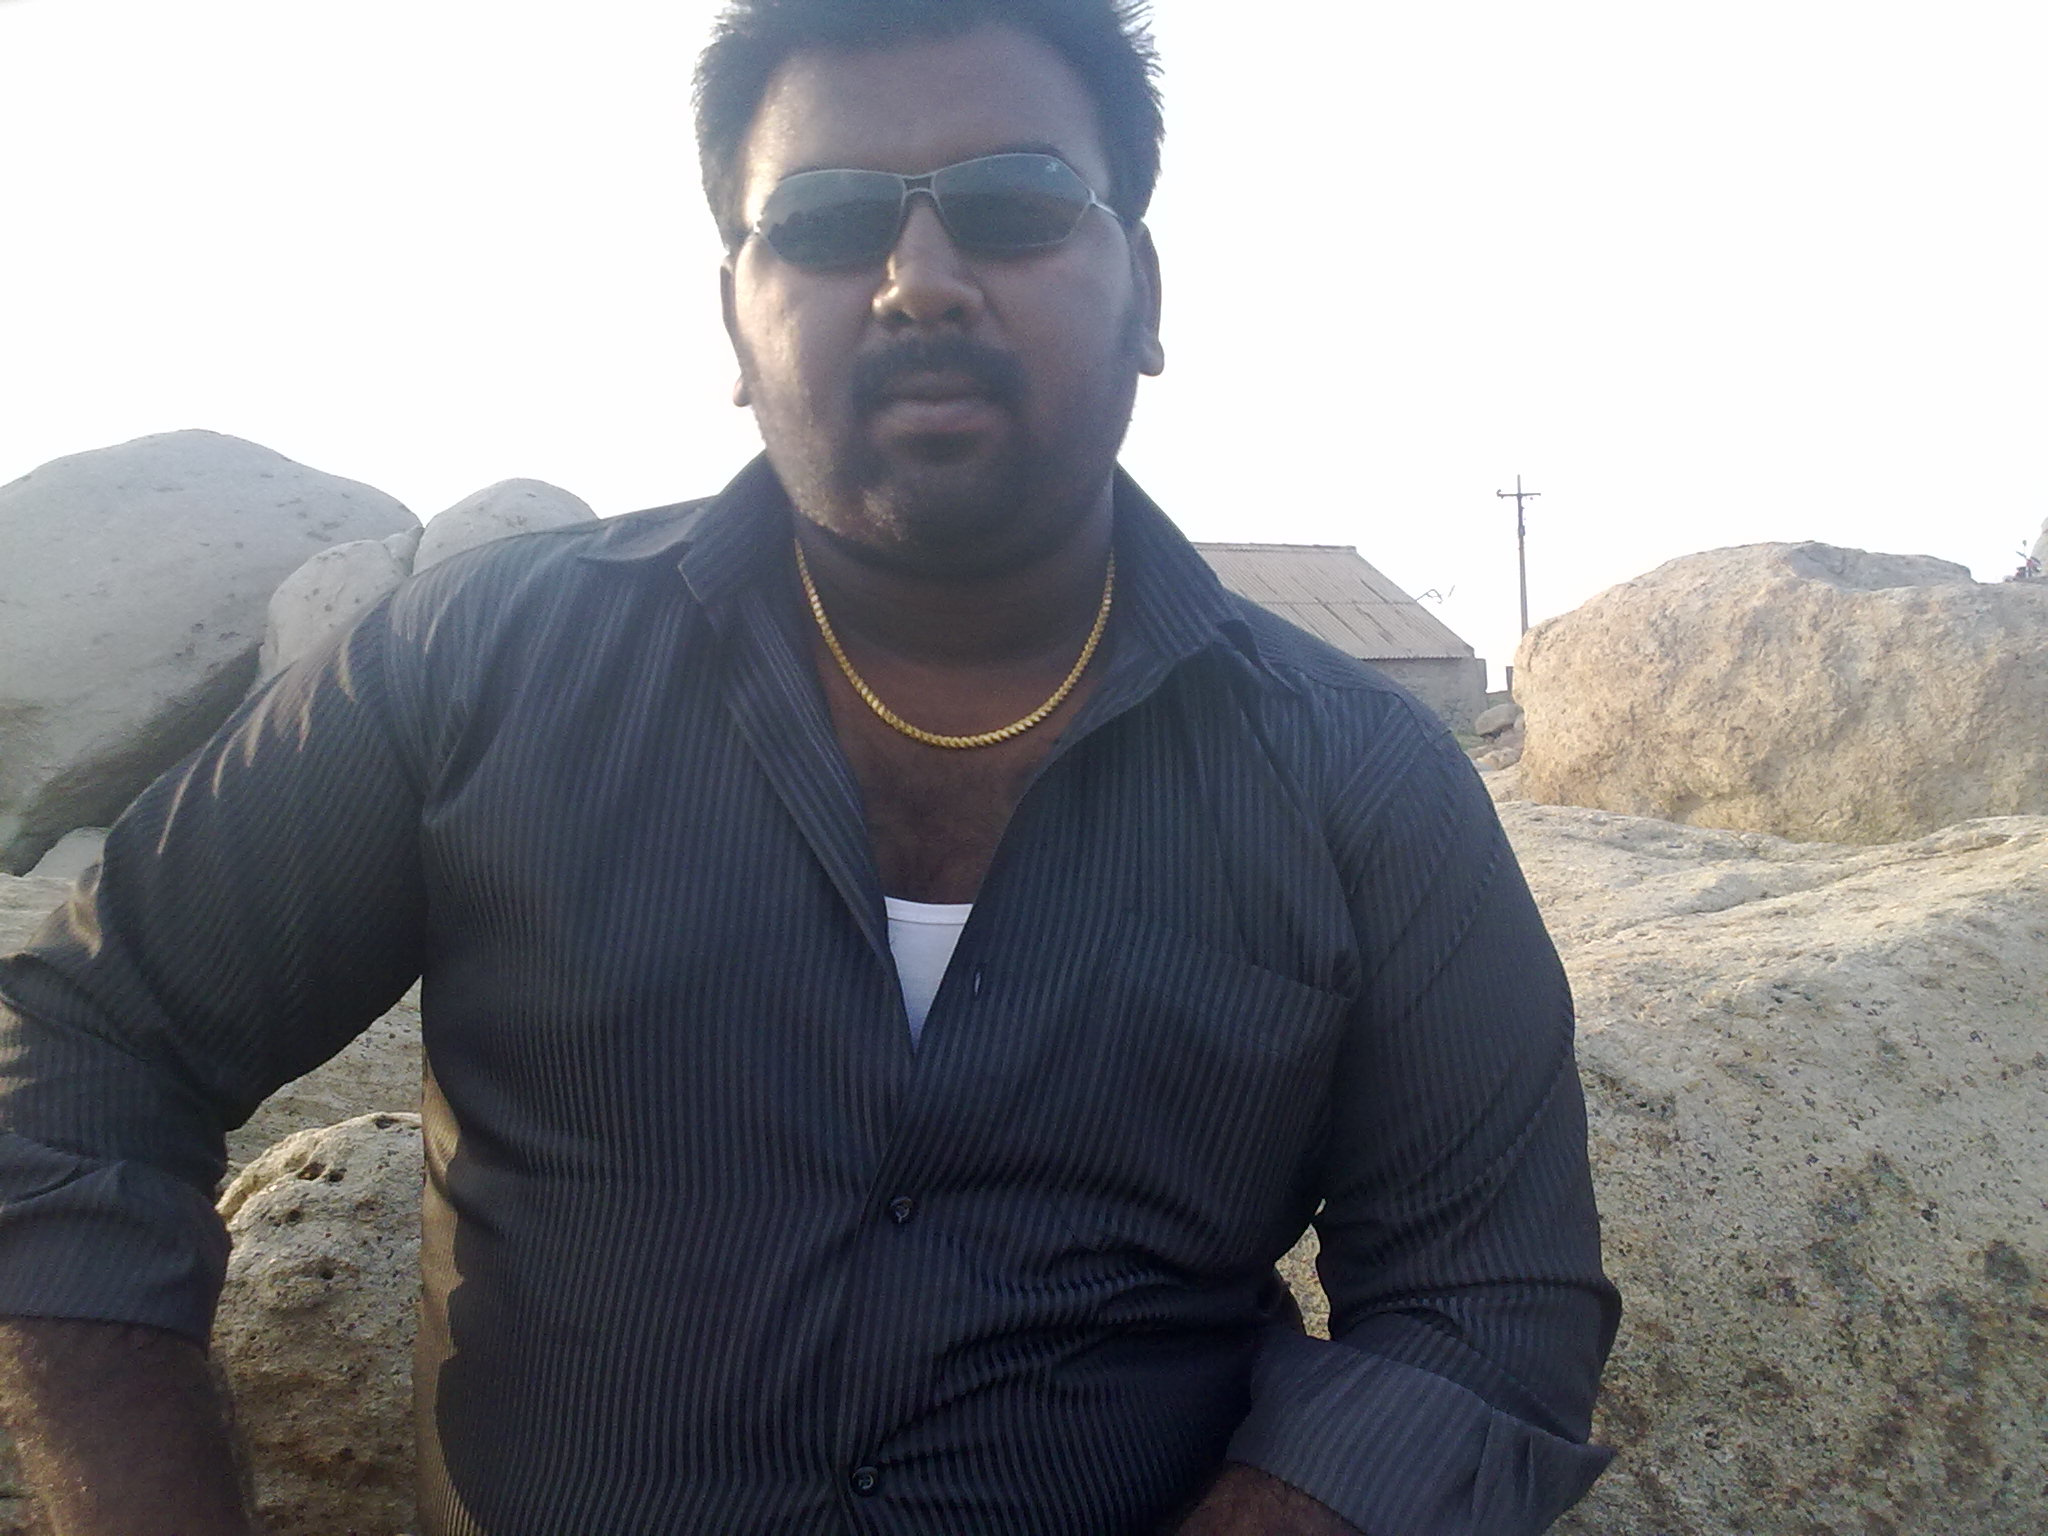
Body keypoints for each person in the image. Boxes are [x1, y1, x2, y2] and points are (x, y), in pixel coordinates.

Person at [0, 2, 1620, 1531]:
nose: (920, 281)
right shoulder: (479, 669)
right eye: (830, 222)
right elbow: (85, 1047)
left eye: (1014, 204)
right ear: (736, 314)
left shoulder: (1360, 783)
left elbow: (1491, 1300)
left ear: (1143, 291)